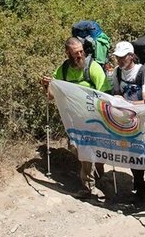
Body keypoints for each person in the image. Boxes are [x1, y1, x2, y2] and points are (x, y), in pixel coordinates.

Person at [41, 37, 111, 198]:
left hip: (94, 118)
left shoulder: (93, 67)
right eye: (76, 53)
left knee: (92, 150)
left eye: (81, 51)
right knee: (76, 148)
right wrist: (46, 86)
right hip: (74, 119)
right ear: (67, 53)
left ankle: (91, 184)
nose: (80, 55)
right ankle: (95, 179)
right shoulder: (63, 70)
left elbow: (105, 94)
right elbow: (51, 96)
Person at [110, 41, 145, 199]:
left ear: (131, 56)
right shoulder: (117, 72)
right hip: (126, 120)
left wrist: (126, 103)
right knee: (131, 154)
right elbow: (117, 92)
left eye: (122, 58)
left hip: (144, 119)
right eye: (117, 58)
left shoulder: (143, 72)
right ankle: (139, 188)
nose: (119, 61)